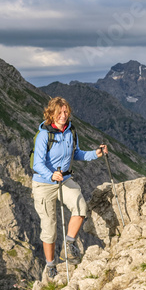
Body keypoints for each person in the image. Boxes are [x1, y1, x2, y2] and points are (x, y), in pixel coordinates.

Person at [32, 96, 107, 279]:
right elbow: (37, 163)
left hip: (64, 180)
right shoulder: (44, 135)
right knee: (49, 228)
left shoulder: (71, 131)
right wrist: (51, 174)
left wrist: (95, 154)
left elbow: (77, 153)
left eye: (66, 112)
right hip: (44, 183)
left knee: (80, 206)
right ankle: (51, 266)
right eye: (60, 112)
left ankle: (69, 245)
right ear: (52, 114)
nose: (64, 115)